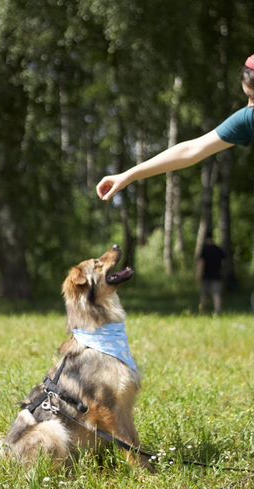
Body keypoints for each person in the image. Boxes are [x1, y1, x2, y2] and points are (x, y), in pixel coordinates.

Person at [96, 55, 254, 201]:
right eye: (249, 96)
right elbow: (190, 150)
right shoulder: (248, 118)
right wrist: (128, 176)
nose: (249, 105)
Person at [197, 232, 226, 315]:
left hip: (206, 275)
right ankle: (218, 311)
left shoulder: (204, 249)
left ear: (205, 239)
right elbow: (223, 263)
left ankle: (202, 311)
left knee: (204, 294)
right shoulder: (218, 249)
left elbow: (201, 264)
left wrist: (198, 275)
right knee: (216, 294)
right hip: (217, 275)